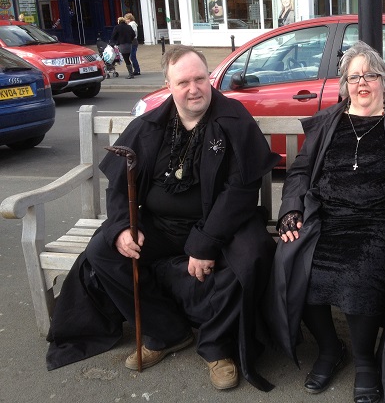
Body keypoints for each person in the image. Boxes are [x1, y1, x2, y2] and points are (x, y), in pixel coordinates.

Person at [46, 45, 280, 393]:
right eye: (183, 81)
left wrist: (206, 242)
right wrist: (123, 226)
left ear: (210, 79)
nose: (194, 88)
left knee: (251, 255)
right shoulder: (150, 126)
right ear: (169, 85)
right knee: (104, 252)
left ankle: (218, 347)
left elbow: (241, 192)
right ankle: (166, 331)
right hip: (161, 225)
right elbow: (121, 183)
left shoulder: (232, 119)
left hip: (220, 226)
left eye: (200, 79)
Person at [266, 41, 385, 403]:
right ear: (345, 84)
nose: (362, 83)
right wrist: (292, 208)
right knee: (294, 263)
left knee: (358, 273)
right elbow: (300, 171)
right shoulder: (328, 122)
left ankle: (366, 361)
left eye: (370, 75)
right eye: (353, 77)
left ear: (384, 80)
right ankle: (330, 349)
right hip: (326, 218)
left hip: (378, 220)